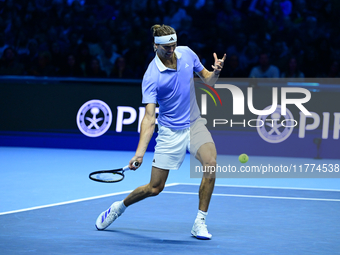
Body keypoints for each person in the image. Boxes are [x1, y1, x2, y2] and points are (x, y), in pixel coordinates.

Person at [95, 24, 226, 240]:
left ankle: (199, 222)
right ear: (155, 46)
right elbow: (149, 117)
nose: (171, 50)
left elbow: (208, 80)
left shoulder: (187, 54)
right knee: (155, 188)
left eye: (173, 45)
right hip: (170, 132)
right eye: (166, 47)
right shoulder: (151, 76)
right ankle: (119, 207)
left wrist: (216, 72)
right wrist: (139, 153)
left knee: (210, 164)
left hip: (194, 124)